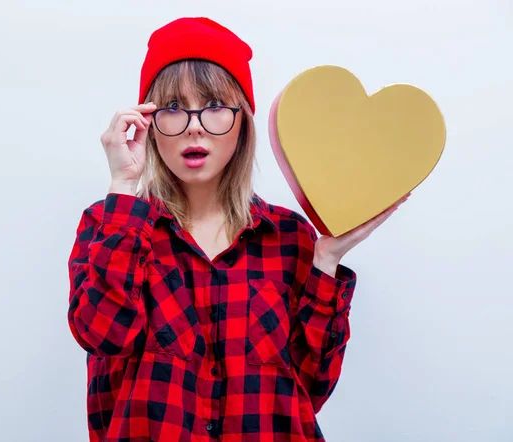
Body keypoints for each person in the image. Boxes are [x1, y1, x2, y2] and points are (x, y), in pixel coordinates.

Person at [67, 16, 410, 442]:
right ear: (148, 123)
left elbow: (311, 389)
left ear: (242, 122)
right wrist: (123, 184)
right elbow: (102, 333)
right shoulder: (109, 225)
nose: (194, 125)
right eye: (173, 107)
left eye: (214, 105)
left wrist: (326, 259)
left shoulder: (289, 238)